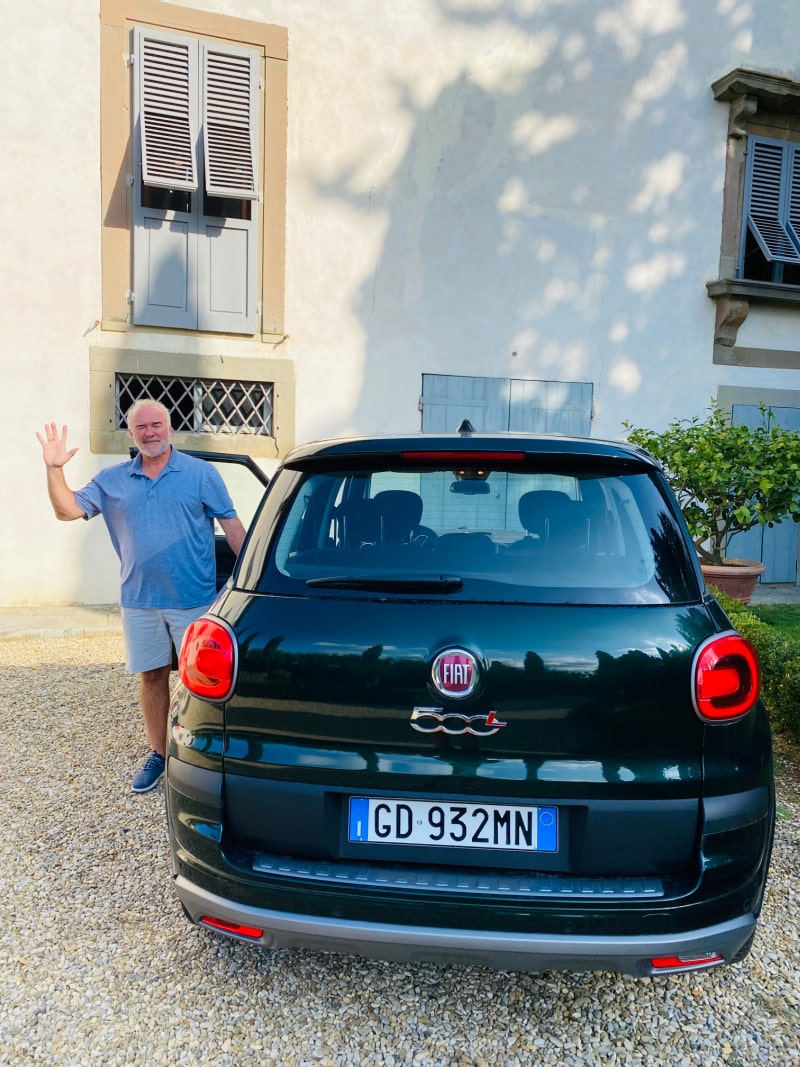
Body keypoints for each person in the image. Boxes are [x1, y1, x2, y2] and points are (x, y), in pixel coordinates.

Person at [37, 399, 247, 793]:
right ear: (130, 434)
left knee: (203, 680)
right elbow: (66, 511)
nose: (150, 432)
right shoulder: (111, 480)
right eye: (141, 427)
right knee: (152, 678)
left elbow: (233, 529)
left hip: (196, 600)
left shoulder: (201, 474)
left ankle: (206, 753)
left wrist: (254, 578)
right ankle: (158, 754)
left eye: (157, 424)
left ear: (170, 429)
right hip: (139, 601)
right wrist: (53, 468)